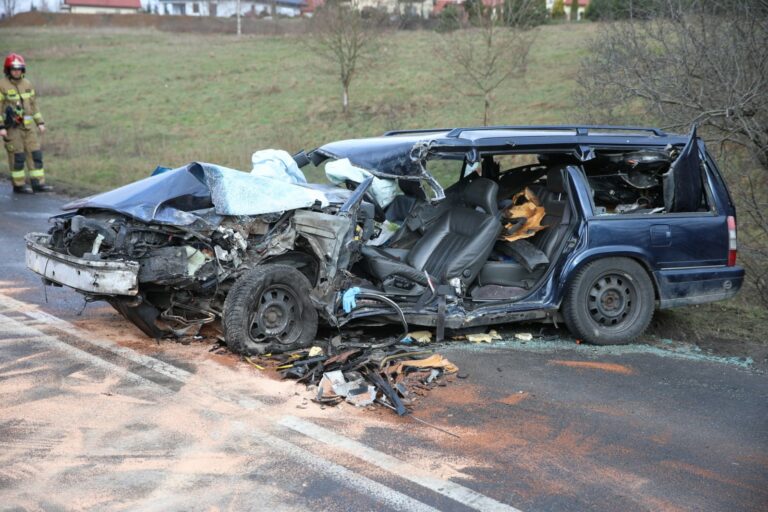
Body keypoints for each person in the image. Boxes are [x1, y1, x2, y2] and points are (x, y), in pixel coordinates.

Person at [0, 53, 52, 194]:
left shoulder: (27, 84)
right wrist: (1, 127)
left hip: (29, 128)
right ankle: (19, 185)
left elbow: (33, 105)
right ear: (8, 70)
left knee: (35, 154)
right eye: (13, 69)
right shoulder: (2, 85)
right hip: (12, 128)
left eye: (19, 68)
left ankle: (38, 184)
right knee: (18, 156)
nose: (16, 71)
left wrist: (40, 122)